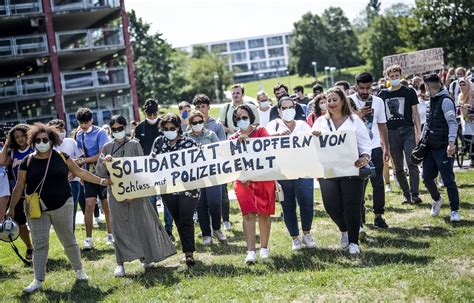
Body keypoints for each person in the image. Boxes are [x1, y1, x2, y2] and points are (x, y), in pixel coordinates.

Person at [6, 123, 112, 293]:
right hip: (36, 209)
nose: (42, 142)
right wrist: (11, 208)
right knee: (40, 245)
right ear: (33, 141)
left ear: (52, 140)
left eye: (45, 139)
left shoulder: (62, 156)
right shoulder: (28, 161)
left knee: (68, 240)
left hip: (63, 204)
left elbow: (80, 173)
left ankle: (79, 271)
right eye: (38, 140)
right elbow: (18, 186)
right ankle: (38, 279)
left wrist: (101, 181)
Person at [96, 115, 176, 277]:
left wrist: (135, 193)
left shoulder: (134, 144)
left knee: (141, 224)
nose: (117, 131)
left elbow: (141, 169)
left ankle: (146, 257)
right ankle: (120, 263)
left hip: (136, 191)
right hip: (116, 194)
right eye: (114, 129)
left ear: (125, 128)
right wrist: (104, 162)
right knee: (118, 226)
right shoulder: (107, 147)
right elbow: (100, 174)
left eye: (120, 128)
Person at [312, 87, 372, 255]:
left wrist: (365, 157)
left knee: (351, 205)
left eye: (334, 100)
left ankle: (353, 242)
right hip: (328, 171)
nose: (330, 103)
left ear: (342, 101)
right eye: (328, 101)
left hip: (351, 169)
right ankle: (344, 230)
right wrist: (314, 136)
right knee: (331, 206)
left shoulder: (354, 121)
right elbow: (311, 145)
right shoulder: (320, 122)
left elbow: (365, 143)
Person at [265, 97, 315, 250]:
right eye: (284, 108)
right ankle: (295, 238)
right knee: (288, 205)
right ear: (279, 111)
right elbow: (264, 142)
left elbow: (312, 142)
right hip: (283, 172)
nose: (288, 110)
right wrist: (277, 136)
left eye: (291, 107)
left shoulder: (302, 125)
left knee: (307, 202)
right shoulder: (273, 125)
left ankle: (306, 234)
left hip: (304, 170)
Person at [151, 113, 199, 266]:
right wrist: (151, 158)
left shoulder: (188, 142)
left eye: (172, 128)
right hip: (168, 189)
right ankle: (186, 251)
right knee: (178, 220)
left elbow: (199, 160)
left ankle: (189, 253)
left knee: (186, 219)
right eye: (165, 128)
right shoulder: (159, 142)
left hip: (188, 189)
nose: (169, 130)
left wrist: (200, 151)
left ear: (178, 128)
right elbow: (152, 160)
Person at [229, 104, 275, 264]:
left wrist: (249, 142)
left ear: (250, 117)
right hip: (243, 181)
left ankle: (264, 248)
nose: (241, 120)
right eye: (238, 118)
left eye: (244, 117)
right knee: (248, 214)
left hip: (263, 178)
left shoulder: (261, 132)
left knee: (264, 213)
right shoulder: (232, 139)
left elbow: (268, 151)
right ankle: (250, 251)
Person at [349, 72, 391, 234]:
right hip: (356, 149)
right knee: (359, 184)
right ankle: (360, 215)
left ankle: (379, 215)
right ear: (356, 87)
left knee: (378, 182)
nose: (365, 91)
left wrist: (386, 147)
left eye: (368, 88)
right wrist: (357, 115)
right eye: (362, 88)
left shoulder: (378, 101)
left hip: (374, 147)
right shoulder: (348, 101)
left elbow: (382, 125)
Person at [378, 64, 422, 204]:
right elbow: (379, 118)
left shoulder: (409, 92)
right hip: (391, 133)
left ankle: (415, 194)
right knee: (397, 167)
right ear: (387, 78)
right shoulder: (382, 94)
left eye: (397, 76)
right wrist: (382, 138)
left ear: (401, 76)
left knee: (412, 162)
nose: (395, 78)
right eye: (392, 76)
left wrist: (418, 132)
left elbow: (415, 113)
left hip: (408, 130)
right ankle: (406, 194)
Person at [420, 74, 461, 222]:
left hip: (443, 148)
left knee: (449, 180)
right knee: (426, 178)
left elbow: (453, 123)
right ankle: (437, 199)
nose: (424, 90)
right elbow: (428, 124)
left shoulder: (445, 101)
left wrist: (451, 143)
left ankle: (455, 210)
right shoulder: (430, 101)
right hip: (429, 147)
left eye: (426, 87)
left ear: (429, 86)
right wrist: (421, 142)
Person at [133, 98, 175, 239]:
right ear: (144, 113)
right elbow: (136, 148)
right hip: (148, 170)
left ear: (157, 112)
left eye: (154, 114)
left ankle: (169, 230)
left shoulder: (164, 125)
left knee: (167, 200)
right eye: (149, 115)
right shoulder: (139, 128)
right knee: (151, 202)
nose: (152, 117)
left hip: (165, 168)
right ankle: (158, 230)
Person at [186, 111, 227, 245]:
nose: (197, 124)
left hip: (212, 175)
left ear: (203, 122)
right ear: (190, 124)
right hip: (195, 177)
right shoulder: (185, 137)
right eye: (194, 122)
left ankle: (216, 228)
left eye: (199, 122)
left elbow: (220, 151)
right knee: (200, 205)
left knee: (215, 202)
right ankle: (206, 234)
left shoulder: (211, 135)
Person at [74, 108, 113, 249]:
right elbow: (79, 155)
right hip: (88, 175)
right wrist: (81, 173)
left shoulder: (101, 132)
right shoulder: (78, 135)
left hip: (103, 173)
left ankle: (110, 234)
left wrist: (84, 161)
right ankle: (88, 239)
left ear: (91, 120)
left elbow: (102, 155)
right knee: (89, 206)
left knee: (106, 205)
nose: (84, 125)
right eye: (81, 123)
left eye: (86, 122)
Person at [0, 124, 34, 260]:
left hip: (34, 191)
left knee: (36, 221)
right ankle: (30, 247)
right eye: (16, 137)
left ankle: (40, 248)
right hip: (18, 192)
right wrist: (7, 144)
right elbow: (2, 161)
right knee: (20, 222)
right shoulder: (13, 152)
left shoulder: (33, 148)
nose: (20, 139)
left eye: (22, 136)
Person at [47, 119, 84, 232]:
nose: (61, 131)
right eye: (57, 129)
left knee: (71, 211)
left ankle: (71, 237)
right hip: (55, 184)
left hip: (73, 182)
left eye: (62, 129)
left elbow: (81, 160)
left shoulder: (71, 142)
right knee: (58, 212)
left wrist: (74, 173)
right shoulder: (47, 145)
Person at [458, 78, 474, 167]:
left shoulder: (472, 92)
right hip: (465, 117)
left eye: (464, 84)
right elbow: (459, 107)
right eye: (461, 85)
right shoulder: (460, 96)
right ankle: (469, 152)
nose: (462, 86)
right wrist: (463, 106)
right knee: (465, 134)